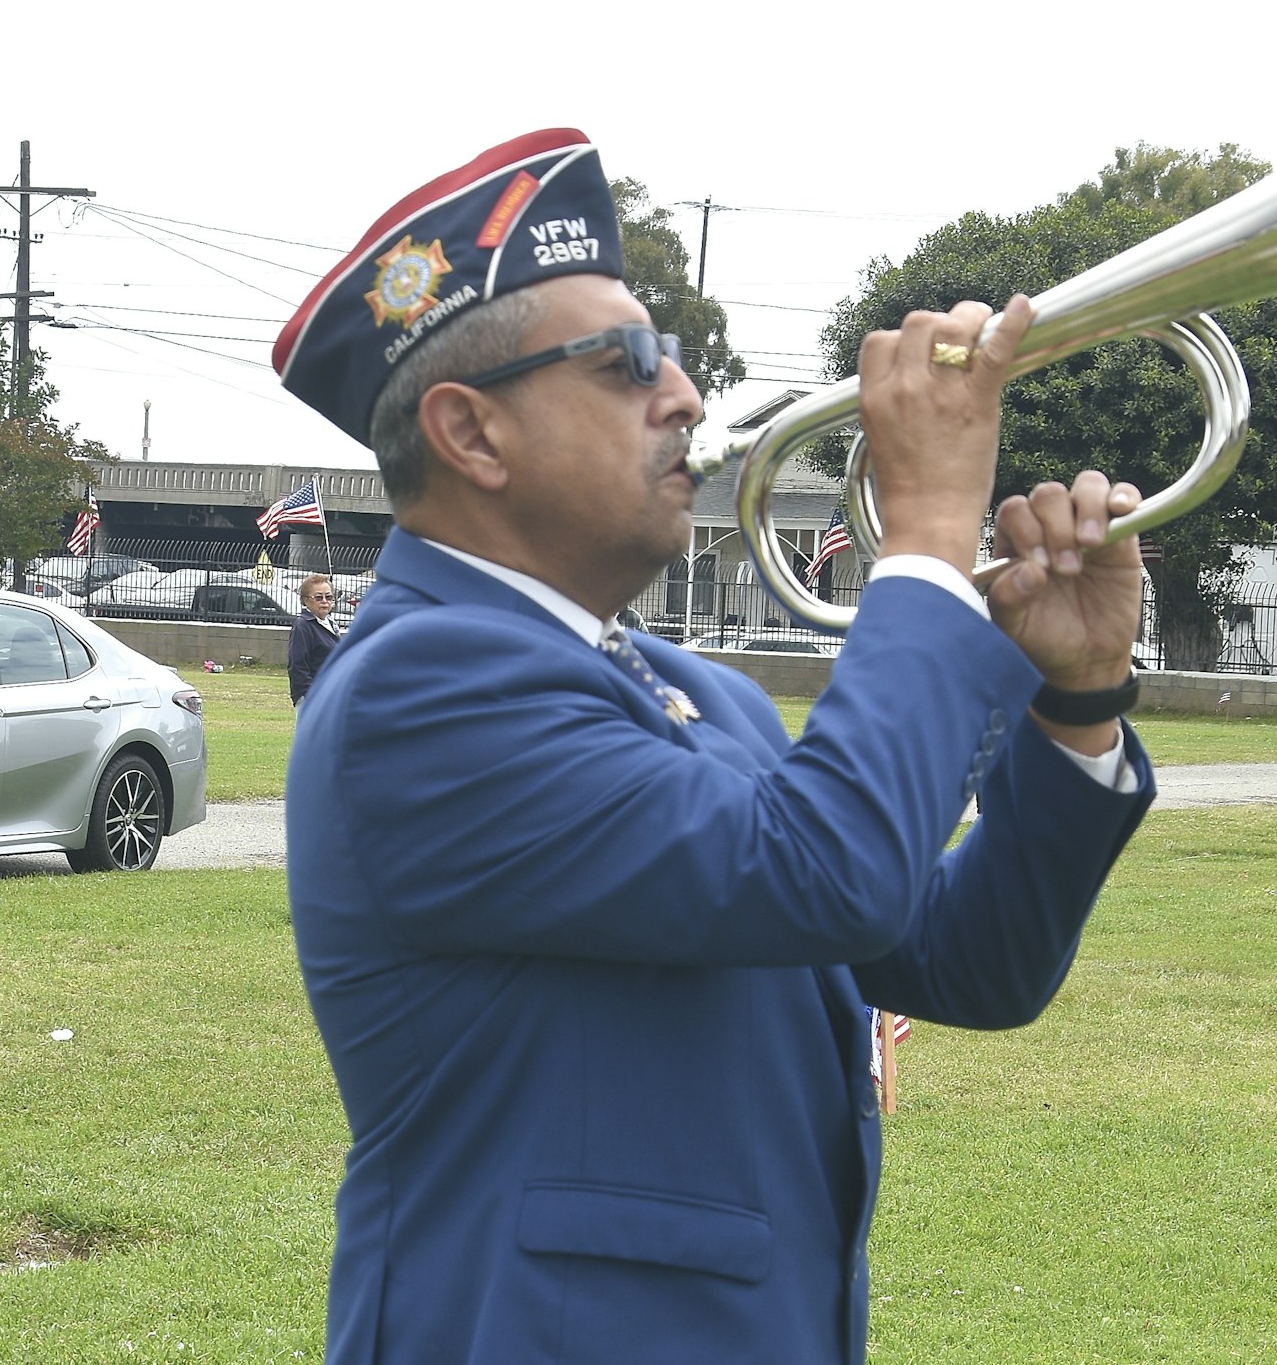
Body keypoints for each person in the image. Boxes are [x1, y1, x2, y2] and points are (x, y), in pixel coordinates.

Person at [271, 129, 1155, 1365]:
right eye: (630, 363)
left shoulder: (701, 693)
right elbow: (829, 867)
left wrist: (1072, 700)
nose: (685, 397)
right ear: (472, 435)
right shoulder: (419, 686)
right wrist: (932, 535)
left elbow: (966, 962)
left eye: (672, 359)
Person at [287, 573, 342, 708]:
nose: (324, 601)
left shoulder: (331, 623)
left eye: (328, 597)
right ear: (306, 600)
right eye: (318, 597)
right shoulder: (303, 626)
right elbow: (297, 666)